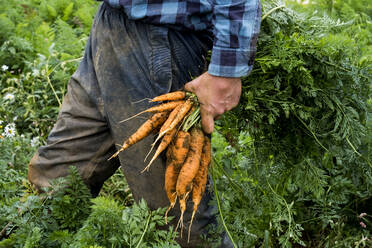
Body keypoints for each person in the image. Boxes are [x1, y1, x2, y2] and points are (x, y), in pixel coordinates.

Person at [28, 0, 261, 246]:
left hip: (161, 41)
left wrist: (226, 71)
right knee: (56, 181)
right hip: (111, 23)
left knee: (180, 223)